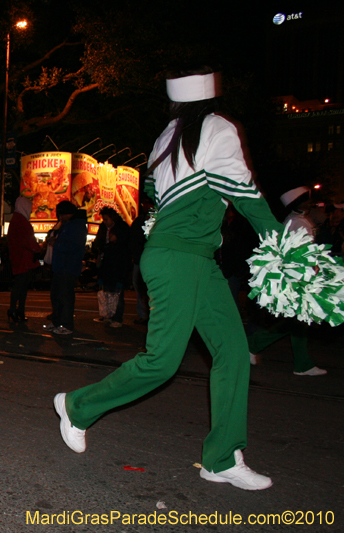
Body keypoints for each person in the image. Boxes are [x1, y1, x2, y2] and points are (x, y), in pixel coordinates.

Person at [54, 69, 284, 490]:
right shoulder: (217, 129)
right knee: (162, 362)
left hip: (193, 258)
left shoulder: (168, 136)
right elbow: (246, 193)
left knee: (233, 352)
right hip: (179, 259)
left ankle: (222, 457)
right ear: (210, 100)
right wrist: (286, 246)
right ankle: (77, 405)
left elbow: (155, 199)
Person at [247, 186, 327, 376]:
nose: (310, 202)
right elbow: (297, 250)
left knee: (299, 319)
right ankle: (254, 345)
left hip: (303, 273)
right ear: (298, 202)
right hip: (299, 274)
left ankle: (301, 363)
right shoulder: (295, 221)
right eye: (307, 200)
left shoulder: (299, 219)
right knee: (298, 319)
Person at [42, 201, 87, 335]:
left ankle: (66, 324)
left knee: (65, 296)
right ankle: (57, 321)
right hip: (60, 266)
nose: (59, 218)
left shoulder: (77, 226)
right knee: (56, 295)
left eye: (61, 214)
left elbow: (73, 246)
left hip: (68, 266)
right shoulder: (67, 225)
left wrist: (57, 243)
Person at [92, 207, 130, 328]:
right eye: (103, 219)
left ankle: (117, 318)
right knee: (107, 292)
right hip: (106, 263)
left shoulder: (122, 227)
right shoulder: (103, 228)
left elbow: (125, 246)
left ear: (112, 217)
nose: (104, 221)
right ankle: (108, 316)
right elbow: (98, 242)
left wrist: (115, 241)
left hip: (118, 264)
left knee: (117, 294)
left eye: (106, 219)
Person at [7, 196, 43, 322]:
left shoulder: (16, 220)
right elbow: (28, 240)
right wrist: (38, 250)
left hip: (20, 258)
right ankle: (17, 310)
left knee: (20, 285)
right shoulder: (21, 221)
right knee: (21, 286)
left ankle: (16, 310)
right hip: (24, 259)